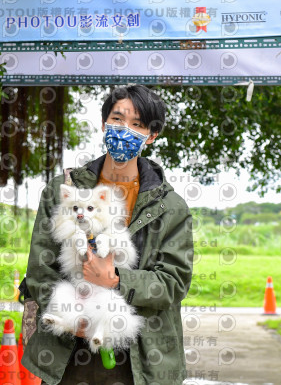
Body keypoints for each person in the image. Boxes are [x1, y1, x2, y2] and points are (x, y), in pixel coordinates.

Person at [21, 84, 194, 385]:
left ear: (151, 136)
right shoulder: (63, 191)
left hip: (143, 362)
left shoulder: (170, 207)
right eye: (117, 119)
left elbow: (173, 283)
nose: (124, 130)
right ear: (104, 124)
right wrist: (73, 320)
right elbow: (40, 269)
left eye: (137, 124)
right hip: (70, 356)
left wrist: (116, 280)